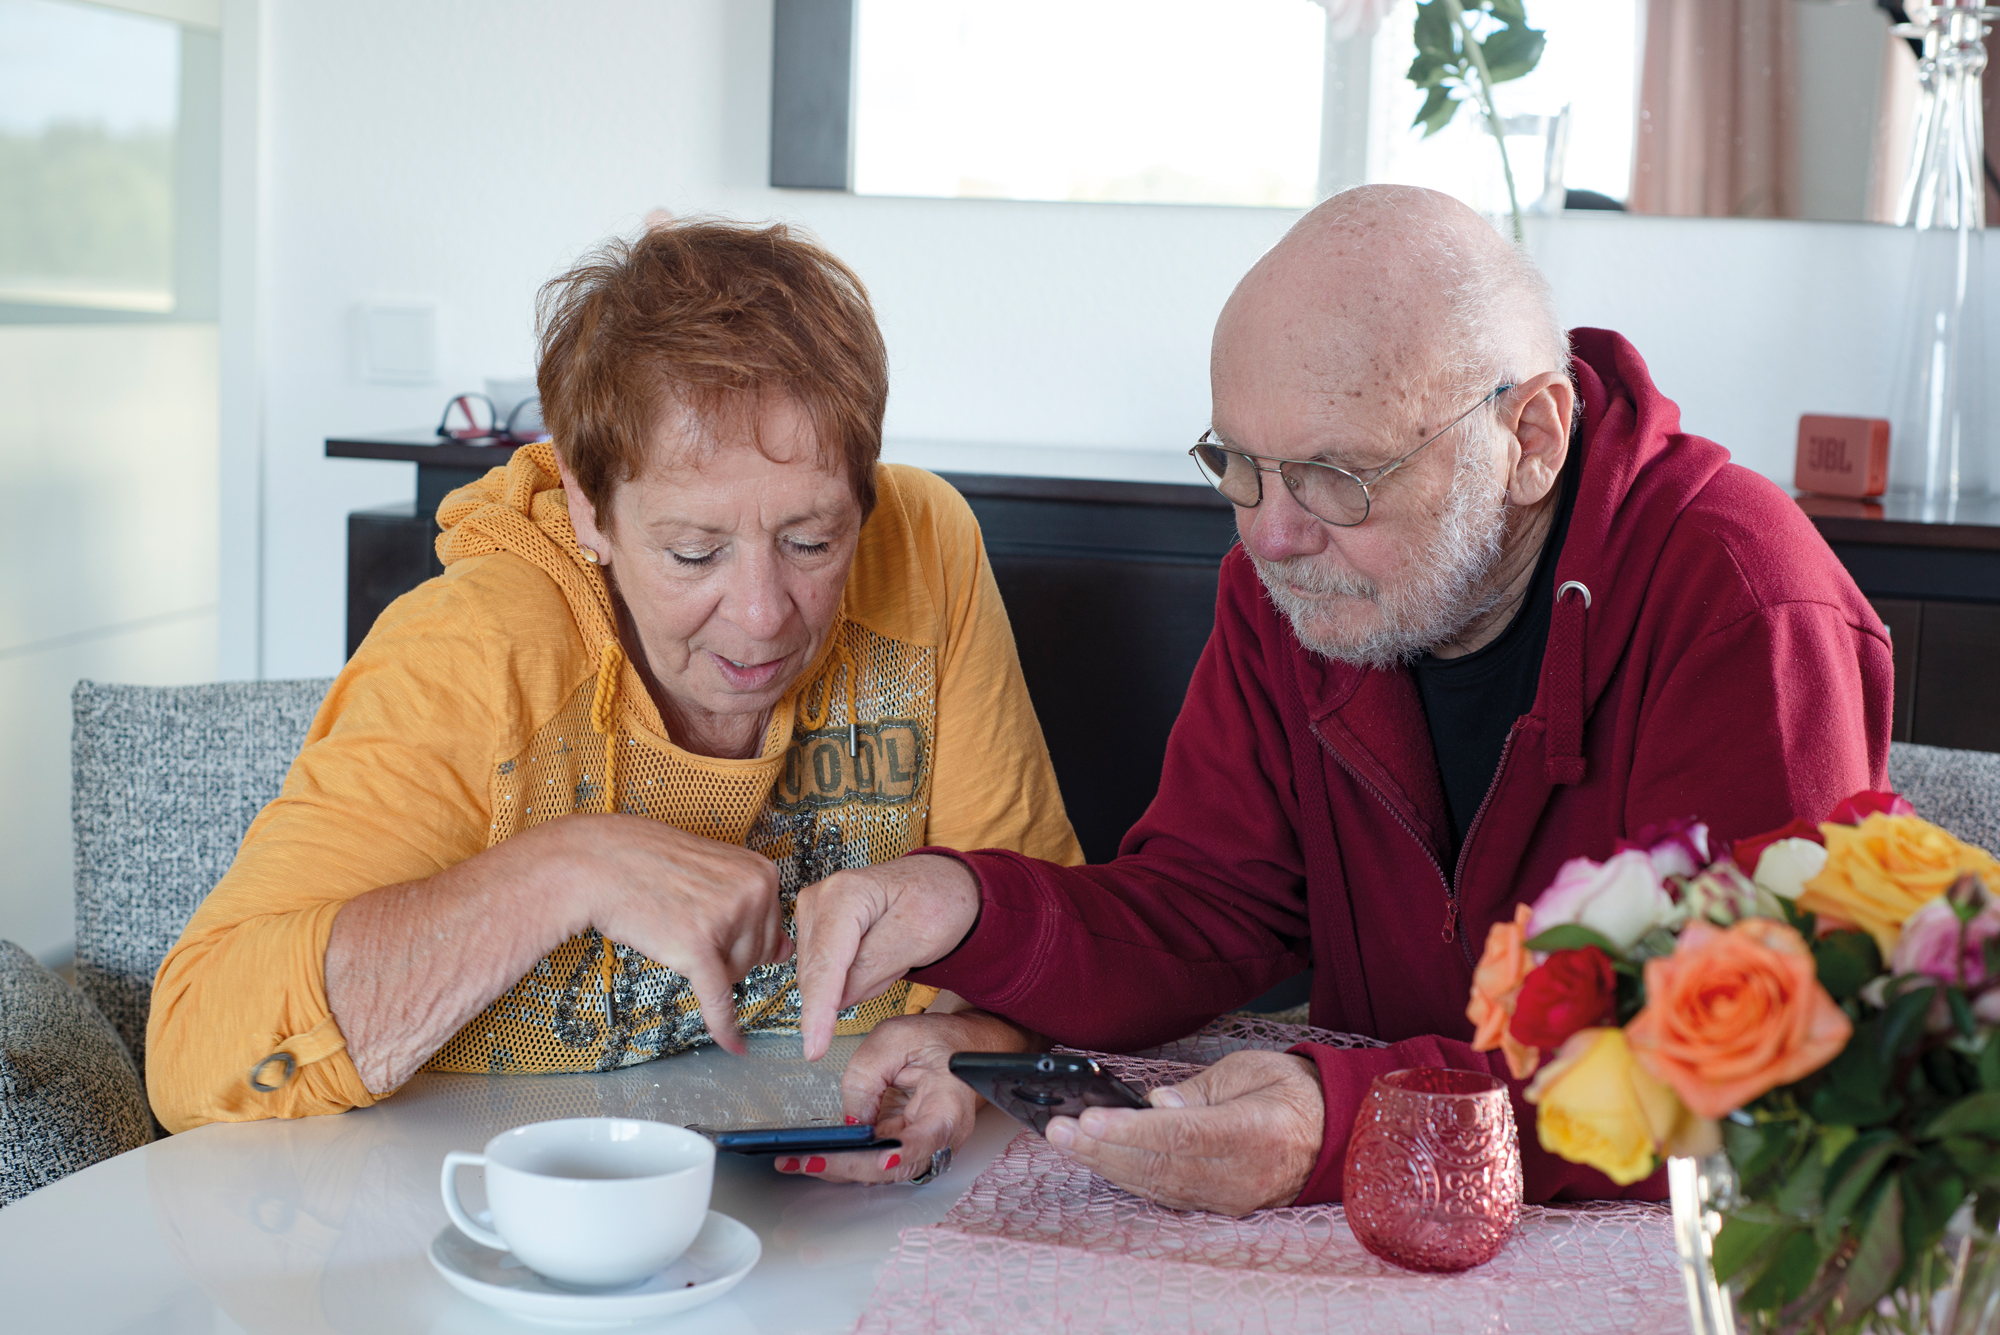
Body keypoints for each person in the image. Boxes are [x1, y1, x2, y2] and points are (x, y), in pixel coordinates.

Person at [792, 185, 1894, 1213]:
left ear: (1531, 441)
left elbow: (1754, 1077)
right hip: (1388, 1246)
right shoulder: (1292, 586)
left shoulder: (1746, 603)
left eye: (1339, 477)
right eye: (1241, 466)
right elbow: (1204, 911)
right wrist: (965, 908)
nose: (1271, 534)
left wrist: (1345, 1125)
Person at [147, 219, 1080, 1186]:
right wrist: (567, 868)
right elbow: (190, 1049)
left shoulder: (924, 546)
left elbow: (1056, 936)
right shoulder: (470, 648)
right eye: (693, 553)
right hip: (468, 1228)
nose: (762, 616)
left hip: (851, 1224)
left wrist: (972, 1038)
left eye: (811, 541)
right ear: (590, 505)